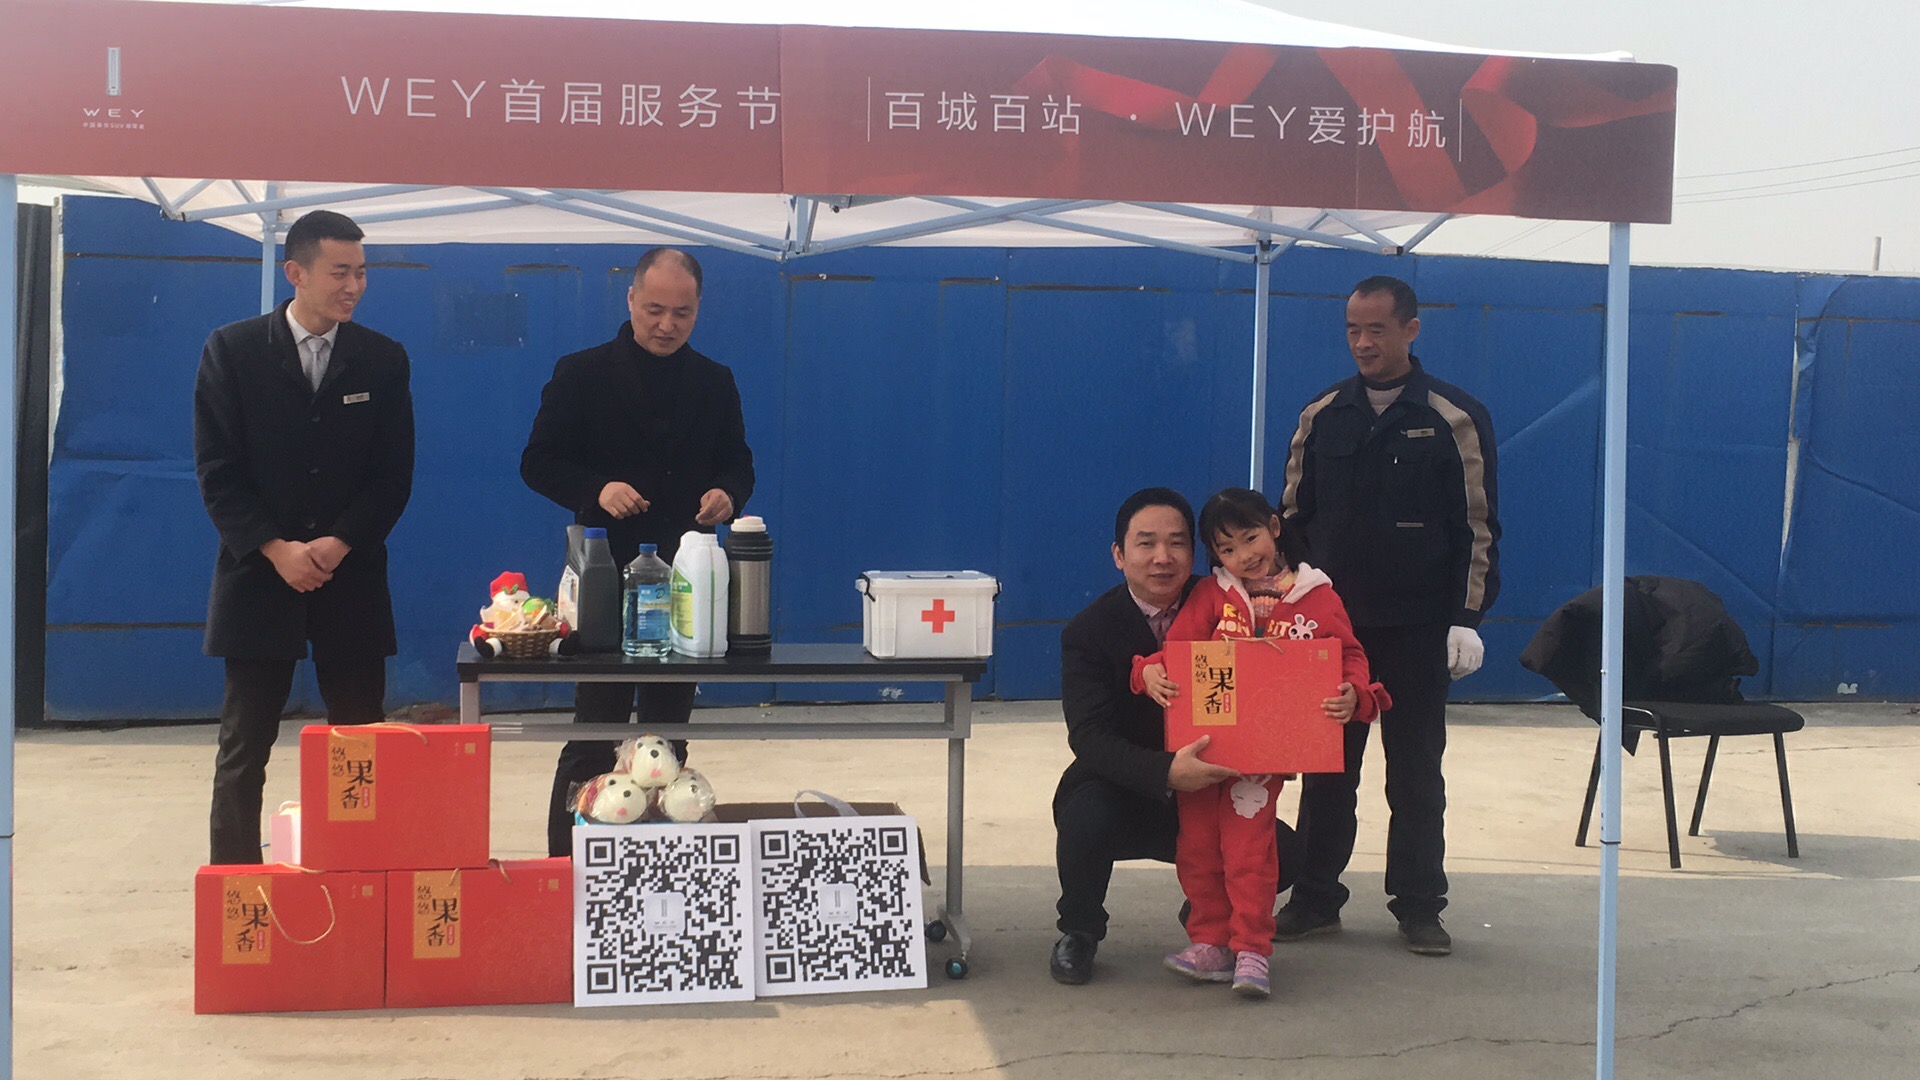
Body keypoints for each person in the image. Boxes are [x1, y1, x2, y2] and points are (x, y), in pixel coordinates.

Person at [1276, 275, 1501, 956]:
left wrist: (1466, 616)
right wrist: (1286, 601)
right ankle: (1315, 898)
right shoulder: (1322, 415)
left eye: (1376, 329)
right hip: (1334, 632)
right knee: (1327, 773)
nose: (1363, 342)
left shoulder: (1453, 418)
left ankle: (1419, 906)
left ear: (1411, 329)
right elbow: (1292, 520)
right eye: (1353, 329)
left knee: (1415, 774)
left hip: (1417, 629)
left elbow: (1477, 527)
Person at [194, 210, 415, 865]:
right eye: (340, 272)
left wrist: (339, 542)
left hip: (351, 577)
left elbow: (392, 476)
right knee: (244, 747)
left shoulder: (382, 358)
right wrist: (276, 549)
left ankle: (360, 877)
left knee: (359, 747)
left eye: (362, 273)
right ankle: (237, 886)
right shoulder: (232, 351)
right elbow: (218, 471)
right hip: (259, 576)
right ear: (295, 273)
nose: (354, 286)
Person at [521, 247, 755, 858]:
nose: (666, 325)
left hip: (685, 581)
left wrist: (727, 493)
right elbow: (538, 462)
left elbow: (739, 463)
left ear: (698, 309)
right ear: (630, 300)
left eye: (681, 313)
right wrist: (596, 489)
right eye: (654, 309)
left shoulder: (715, 381)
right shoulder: (582, 373)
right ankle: (565, 865)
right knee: (594, 732)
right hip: (604, 577)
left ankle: (658, 866)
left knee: (668, 740)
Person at [1132, 488, 1387, 998]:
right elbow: (1177, 648)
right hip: (1203, 753)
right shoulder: (1211, 595)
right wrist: (1149, 671)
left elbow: (1350, 655)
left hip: (1260, 761)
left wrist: (1353, 691)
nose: (1243, 556)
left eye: (1250, 538)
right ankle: (1210, 943)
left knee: (1249, 852)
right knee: (1197, 849)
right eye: (1226, 549)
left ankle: (1251, 949)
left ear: (1274, 527)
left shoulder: (1318, 596)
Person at [1049, 487, 1299, 986]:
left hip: (1213, 788)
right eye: (1146, 543)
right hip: (1126, 787)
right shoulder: (1088, 631)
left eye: (1177, 542)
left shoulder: (1234, 604)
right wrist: (1166, 772)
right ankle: (1079, 929)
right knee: (1084, 816)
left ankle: (1210, 922)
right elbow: (1089, 736)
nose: (1162, 557)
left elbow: (1282, 674)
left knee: (1287, 851)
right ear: (1119, 554)